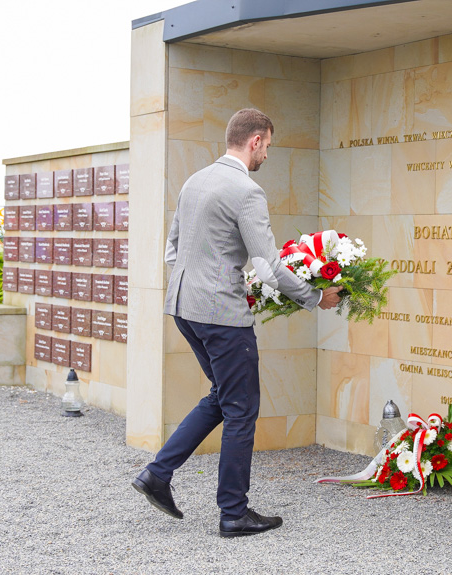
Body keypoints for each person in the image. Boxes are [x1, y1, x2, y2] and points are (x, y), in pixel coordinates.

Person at [132, 108, 343, 538]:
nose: (267, 153)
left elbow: (173, 250)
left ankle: (157, 474)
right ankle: (233, 513)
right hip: (221, 317)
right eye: (268, 145)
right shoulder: (247, 191)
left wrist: (207, 281)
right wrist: (316, 297)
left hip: (184, 308)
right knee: (242, 408)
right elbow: (268, 266)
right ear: (256, 141)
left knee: (223, 397)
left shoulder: (195, 180)